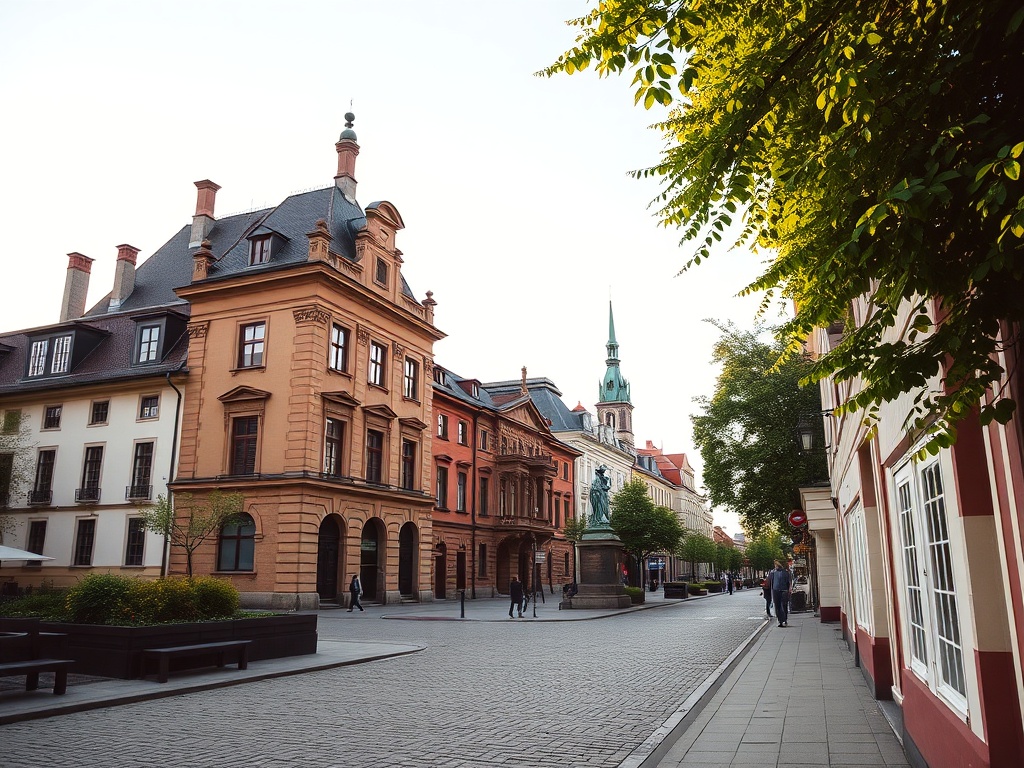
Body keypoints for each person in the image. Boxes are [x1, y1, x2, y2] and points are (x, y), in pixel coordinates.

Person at [770, 560, 793, 627]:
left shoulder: (783, 572)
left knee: (781, 606)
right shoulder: (774, 572)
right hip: (779, 590)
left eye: (776, 565)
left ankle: (782, 620)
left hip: (780, 590)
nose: (775, 567)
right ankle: (781, 620)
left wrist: (789, 589)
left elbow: (788, 582)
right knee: (780, 606)